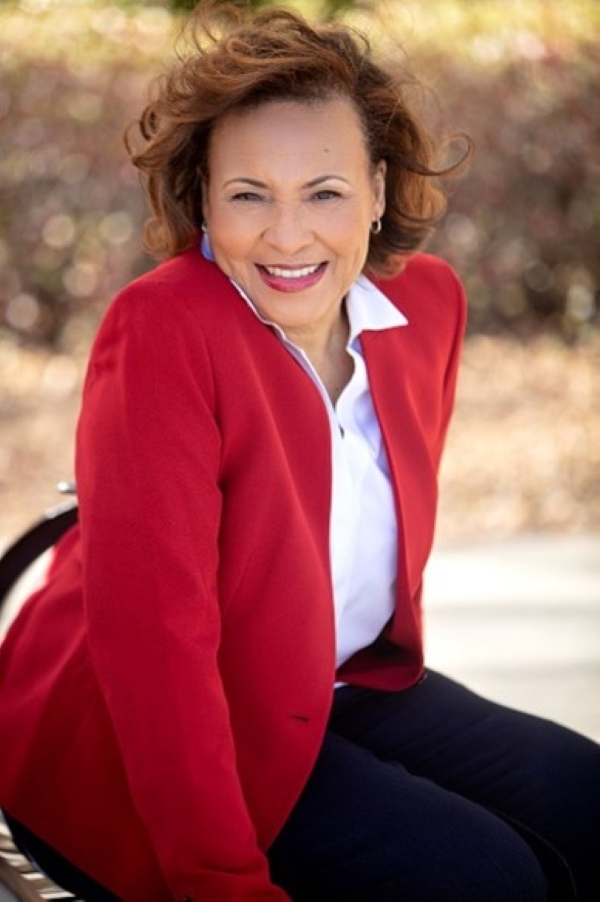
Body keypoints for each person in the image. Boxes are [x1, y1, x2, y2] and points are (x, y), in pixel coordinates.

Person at [0, 2, 599, 900]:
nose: (288, 236)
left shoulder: (424, 308)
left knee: (587, 803)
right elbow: (153, 652)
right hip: (133, 739)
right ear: (204, 196)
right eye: (250, 195)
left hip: (339, 685)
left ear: (379, 192)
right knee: (487, 880)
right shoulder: (165, 329)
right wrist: (217, 882)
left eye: (325, 191)